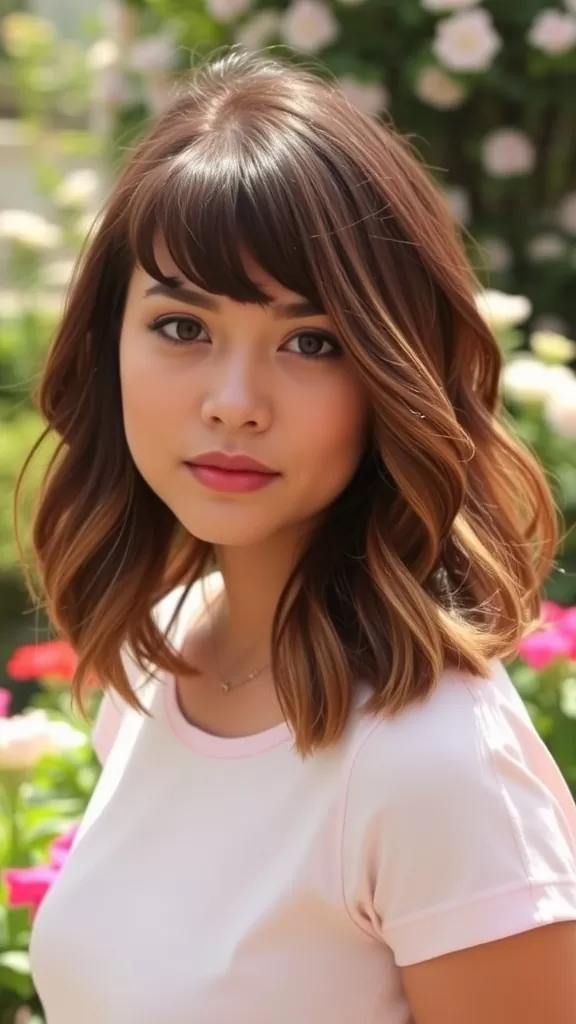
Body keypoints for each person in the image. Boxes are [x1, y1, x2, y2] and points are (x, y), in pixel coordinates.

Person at [18, 49, 576, 1023]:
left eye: (311, 342)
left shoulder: (435, 764)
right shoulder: (166, 651)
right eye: (183, 327)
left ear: (394, 371)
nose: (234, 402)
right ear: (109, 342)